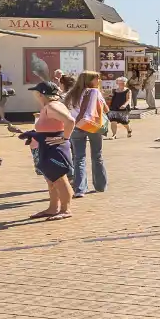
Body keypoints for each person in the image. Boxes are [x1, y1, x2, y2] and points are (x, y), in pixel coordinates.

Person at [19, 81, 75, 220]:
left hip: (55, 147)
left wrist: (64, 138)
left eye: (36, 92)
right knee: (51, 179)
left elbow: (70, 121)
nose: (35, 95)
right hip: (48, 145)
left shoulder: (52, 106)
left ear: (41, 94)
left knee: (60, 179)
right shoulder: (50, 106)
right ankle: (53, 208)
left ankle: (65, 209)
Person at [67, 71, 108, 196]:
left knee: (79, 158)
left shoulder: (71, 94)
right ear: (90, 80)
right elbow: (106, 109)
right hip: (92, 126)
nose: (99, 81)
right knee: (97, 155)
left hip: (76, 126)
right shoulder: (94, 92)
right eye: (97, 79)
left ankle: (80, 189)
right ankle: (100, 186)